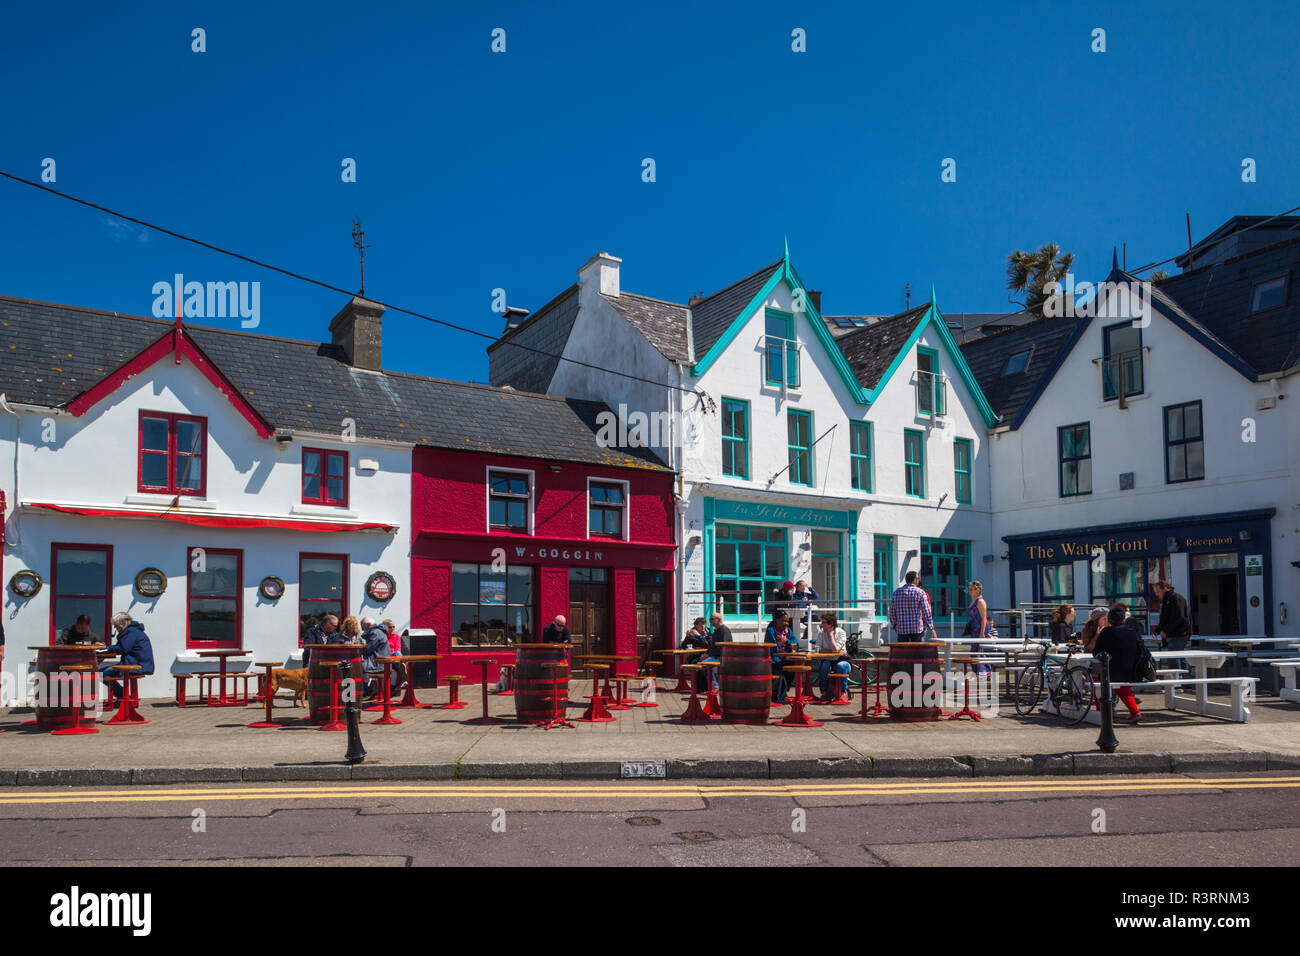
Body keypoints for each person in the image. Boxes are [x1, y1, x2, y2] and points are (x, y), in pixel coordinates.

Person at [1093, 603, 1143, 722]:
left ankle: (1101, 712)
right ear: (1124, 619)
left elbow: (1096, 652)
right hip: (1133, 671)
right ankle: (1135, 712)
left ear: (1109, 619)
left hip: (1112, 671)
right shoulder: (1132, 632)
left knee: (1097, 684)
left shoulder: (1106, 632)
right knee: (1122, 687)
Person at [100, 613, 155, 703]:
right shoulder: (133, 631)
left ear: (122, 624)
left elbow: (122, 649)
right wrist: (107, 647)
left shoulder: (131, 632)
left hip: (136, 665)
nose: (115, 628)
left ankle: (123, 697)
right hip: (138, 663)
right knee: (101, 672)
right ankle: (123, 697)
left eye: (116, 625)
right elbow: (122, 647)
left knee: (102, 673)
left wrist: (106, 648)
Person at [1151, 580, 1192, 671]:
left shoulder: (1175, 598)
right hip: (1174, 634)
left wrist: (1165, 631)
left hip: (1178, 635)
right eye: (1155, 592)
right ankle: (1181, 682)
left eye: (1158, 591)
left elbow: (1178, 617)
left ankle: (1180, 682)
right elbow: (1166, 618)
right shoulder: (1168, 600)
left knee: (1175, 660)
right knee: (1177, 659)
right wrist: (1158, 630)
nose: (1157, 594)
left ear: (1165, 589)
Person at [889, 571, 937, 643]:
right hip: (916, 628)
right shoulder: (920, 592)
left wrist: (894, 624)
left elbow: (892, 611)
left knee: (903, 652)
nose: (918, 580)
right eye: (918, 578)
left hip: (902, 628)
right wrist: (931, 628)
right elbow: (926, 612)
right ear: (914, 580)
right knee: (916, 651)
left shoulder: (897, 592)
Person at [814, 611, 851, 700]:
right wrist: (833, 651)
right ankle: (824, 692)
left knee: (841, 666)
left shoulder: (841, 633)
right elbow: (818, 649)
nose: (821, 625)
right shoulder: (821, 633)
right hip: (828, 660)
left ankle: (843, 691)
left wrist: (831, 636)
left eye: (823, 623)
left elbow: (835, 649)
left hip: (842, 659)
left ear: (830, 624)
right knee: (825, 666)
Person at [764, 610, 796, 703]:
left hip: (786, 658)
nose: (786, 623)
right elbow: (772, 649)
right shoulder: (771, 631)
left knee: (793, 668)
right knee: (777, 668)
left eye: (787, 621)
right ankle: (776, 695)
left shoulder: (788, 631)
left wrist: (786, 642)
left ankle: (784, 691)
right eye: (783, 621)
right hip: (774, 659)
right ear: (777, 620)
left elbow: (796, 644)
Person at [359, 617, 396, 697]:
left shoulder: (375, 633)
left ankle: (364, 691)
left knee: (357, 668)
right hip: (381, 663)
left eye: (362, 626)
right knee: (359, 666)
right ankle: (369, 690)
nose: (362, 629)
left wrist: (357, 649)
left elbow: (368, 649)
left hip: (379, 664)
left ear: (368, 625)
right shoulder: (377, 632)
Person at [964, 581, 997, 650]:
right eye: (969, 589)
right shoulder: (974, 601)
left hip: (980, 629)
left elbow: (984, 618)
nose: (969, 591)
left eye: (971, 589)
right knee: (974, 651)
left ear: (977, 590)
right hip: (974, 629)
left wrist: (982, 633)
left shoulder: (980, 601)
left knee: (979, 651)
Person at [788, 579, 820, 646]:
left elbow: (816, 596)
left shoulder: (806, 594)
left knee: (818, 621)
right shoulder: (794, 595)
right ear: (797, 587)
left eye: (804, 586)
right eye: (802, 586)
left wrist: (810, 588)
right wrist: (801, 600)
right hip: (800, 614)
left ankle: (809, 637)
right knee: (810, 623)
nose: (803, 587)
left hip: (809, 614)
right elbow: (793, 604)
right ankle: (806, 637)